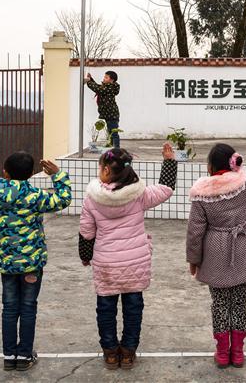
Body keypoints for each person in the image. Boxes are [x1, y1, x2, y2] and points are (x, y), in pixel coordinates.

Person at [78, 144, 178, 370]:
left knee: (105, 308)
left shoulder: (92, 199)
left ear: (105, 171)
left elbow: (87, 232)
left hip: (106, 265)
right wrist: (169, 161)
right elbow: (166, 188)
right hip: (136, 262)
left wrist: (85, 257)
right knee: (133, 308)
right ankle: (129, 351)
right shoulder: (139, 195)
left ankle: (111, 353)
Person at [0, 152, 72, 372]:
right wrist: (57, 175)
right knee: (28, 307)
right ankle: (24, 355)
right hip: (32, 262)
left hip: (8, 261)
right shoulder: (35, 195)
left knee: (10, 308)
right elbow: (63, 199)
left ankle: (9, 355)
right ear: (30, 174)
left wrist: (4, 240)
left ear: (5, 171)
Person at [186, 142, 246, 369]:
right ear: (233, 163)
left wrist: (194, 260)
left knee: (219, 304)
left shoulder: (202, 194)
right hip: (242, 248)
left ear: (210, 166)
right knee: (239, 302)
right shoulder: (243, 186)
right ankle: (238, 352)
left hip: (215, 250)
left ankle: (222, 353)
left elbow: (195, 231)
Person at [86, 71, 121, 148]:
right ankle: (112, 147)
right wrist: (91, 79)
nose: (104, 78)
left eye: (106, 77)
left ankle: (117, 149)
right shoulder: (107, 86)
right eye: (104, 77)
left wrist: (88, 82)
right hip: (109, 115)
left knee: (114, 133)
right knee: (111, 132)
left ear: (111, 80)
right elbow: (98, 87)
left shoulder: (110, 88)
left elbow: (98, 89)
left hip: (112, 115)